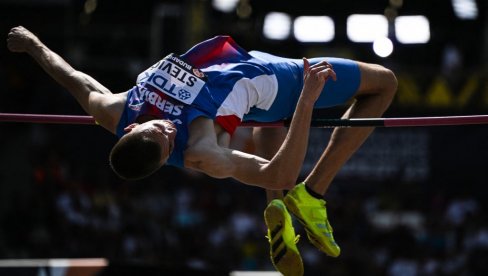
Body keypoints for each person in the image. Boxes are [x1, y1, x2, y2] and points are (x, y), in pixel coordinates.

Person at [7, 26, 397, 275]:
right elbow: (278, 172)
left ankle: (277, 208)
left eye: (158, 128)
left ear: (130, 125)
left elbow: (72, 78)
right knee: (385, 84)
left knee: (264, 125)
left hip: (245, 65)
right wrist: (307, 101)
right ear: (166, 160)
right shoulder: (200, 150)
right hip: (276, 83)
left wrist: (33, 45)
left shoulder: (114, 109)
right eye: (167, 143)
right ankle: (312, 195)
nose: (169, 130)